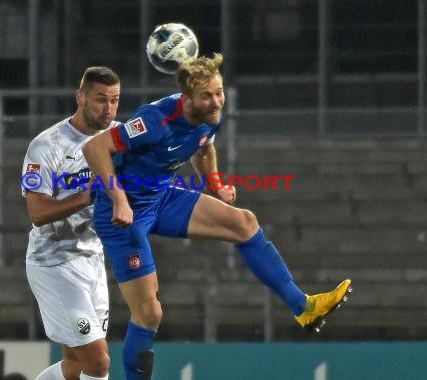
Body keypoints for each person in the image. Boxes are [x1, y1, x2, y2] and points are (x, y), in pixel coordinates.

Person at [82, 53, 352, 379]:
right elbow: (95, 148)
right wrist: (118, 198)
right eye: (207, 95)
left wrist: (215, 184)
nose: (216, 101)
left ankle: (305, 308)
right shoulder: (154, 120)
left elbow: (204, 147)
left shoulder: (211, 115)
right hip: (120, 213)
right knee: (149, 313)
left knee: (244, 223)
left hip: (160, 197)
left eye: (219, 92)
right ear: (187, 98)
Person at [21, 66, 121, 380]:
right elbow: (37, 213)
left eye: (115, 100)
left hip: (93, 259)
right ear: (80, 98)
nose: (108, 108)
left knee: (77, 365)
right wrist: (89, 195)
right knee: (98, 362)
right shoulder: (47, 145)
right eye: (100, 99)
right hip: (54, 263)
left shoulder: (120, 137)